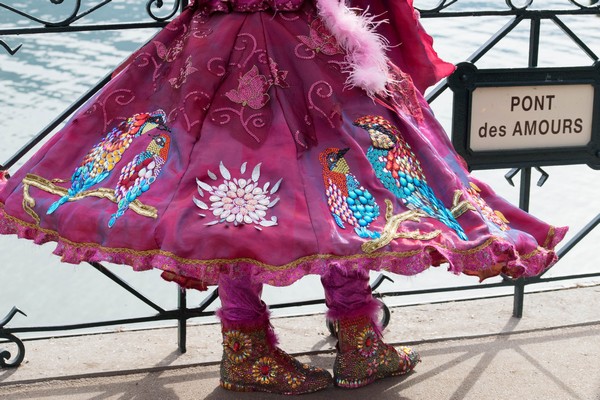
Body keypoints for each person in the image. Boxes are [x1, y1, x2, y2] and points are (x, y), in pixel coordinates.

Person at [0, 0, 567, 394]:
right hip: (301, 43)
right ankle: (351, 339)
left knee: (234, 194)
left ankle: (257, 344)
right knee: (335, 178)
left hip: (214, 46)